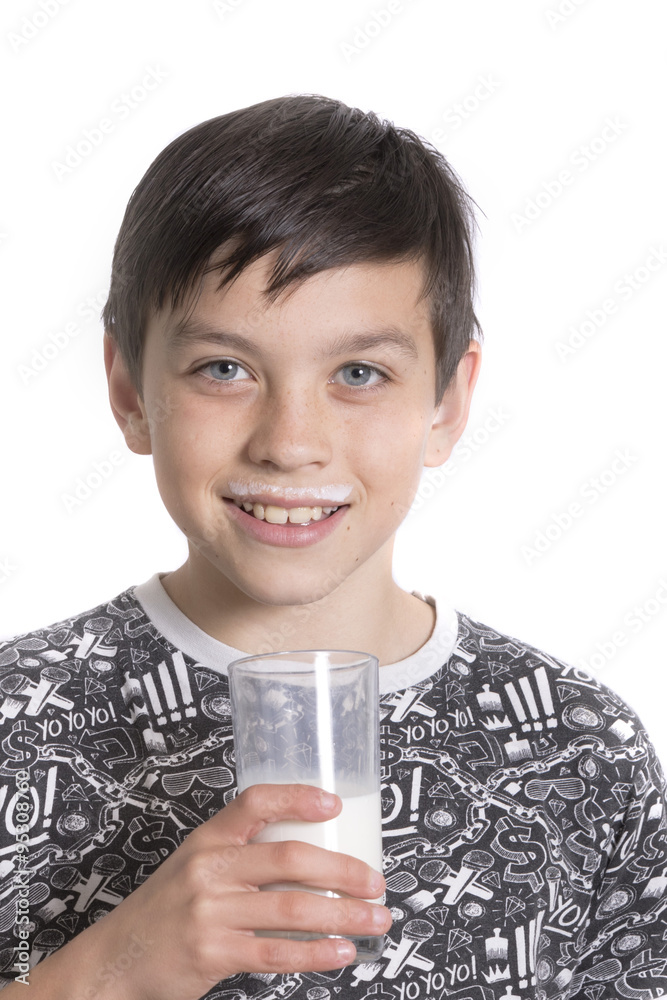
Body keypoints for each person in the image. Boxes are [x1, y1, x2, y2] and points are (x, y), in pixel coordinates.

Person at [0, 94, 665, 1000]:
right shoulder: (19, 720)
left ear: (447, 401)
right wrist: (114, 973)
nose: (290, 442)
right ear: (128, 390)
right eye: (224, 369)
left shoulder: (581, 752)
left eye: (358, 373)